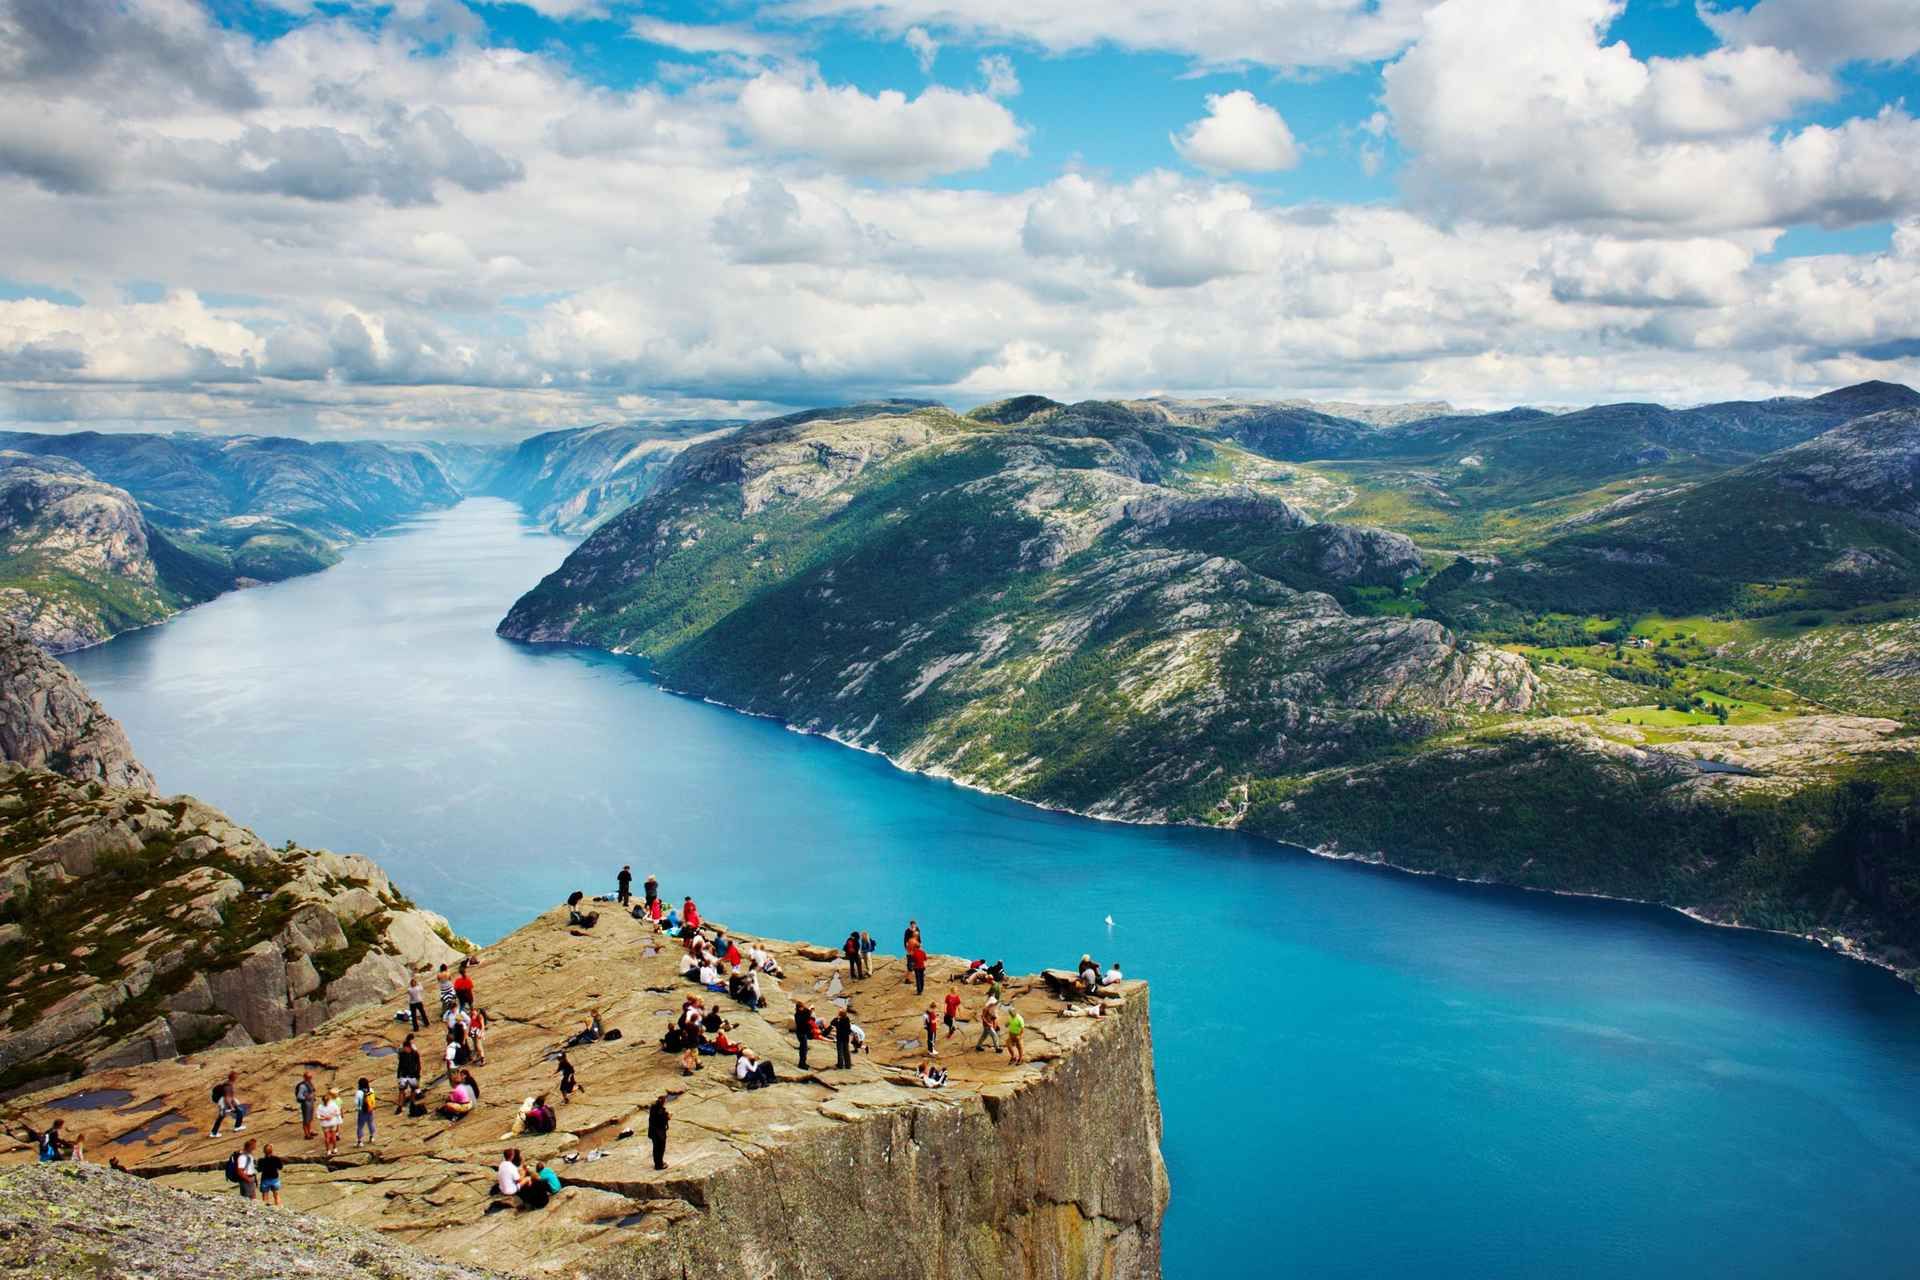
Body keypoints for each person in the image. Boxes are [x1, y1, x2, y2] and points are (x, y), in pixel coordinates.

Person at [209, 1071, 246, 1136]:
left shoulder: (229, 1083)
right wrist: (231, 1106)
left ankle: (237, 1126)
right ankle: (214, 1133)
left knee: (238, 1110)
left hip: (224, 1099)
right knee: (222, 1116)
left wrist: (233, 1103)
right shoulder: (228, 1086)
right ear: (234, 1078)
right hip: (223, 1100)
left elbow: (230, 1096)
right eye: (236, 1077)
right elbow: (227, 1098)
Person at [396, 1036, 422, 1114]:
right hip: (404, 1075)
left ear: (408, 1047)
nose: (404, 1049)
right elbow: (400, 1065)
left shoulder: (414, 1053)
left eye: (405, 1048)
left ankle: (412, 1104)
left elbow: (418, 1064)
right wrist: (398, 1075)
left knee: (413, 1090)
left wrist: (418, 1074)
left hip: (412, 1075)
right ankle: (400, 1106)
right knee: (401, 1090)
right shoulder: (402, 1054)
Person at [316, 1089, 343, 1155]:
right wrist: (331, 1116)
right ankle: (335, 1148)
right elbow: (338, 1112)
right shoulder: (333, 1105)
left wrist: (324, 1118)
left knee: (327, 1137)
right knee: (333, 1136)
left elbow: (318, 1116)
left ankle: (328, 1150)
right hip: (333, 1122)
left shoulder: (320, 1107)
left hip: (325, 1124)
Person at [647, 1095, 670, 1171]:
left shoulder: (653, 1108)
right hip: (659, 1133)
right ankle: (659, 1165)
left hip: (653, 1132)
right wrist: (667, 1117)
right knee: (660, 1148)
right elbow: (661, 1122)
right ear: (663, 1102)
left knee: (656, 1148)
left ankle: (658, 1163)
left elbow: (654, 1118)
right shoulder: (660, 1110)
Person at [354, 1077, 377, 1147]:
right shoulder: (371, 1090)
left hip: (362, 1111)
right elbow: (373, 1099)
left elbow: (356, 1103)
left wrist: (358, 1108)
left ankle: (360, 1141)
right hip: (370, 1109)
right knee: (371, 1123)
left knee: (360, 1126)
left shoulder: (359, 1092)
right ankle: (372, 1137)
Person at [295, 1071, 317, 1139]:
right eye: (308, 1077)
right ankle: (306, 1134)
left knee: (310, 1118)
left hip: (311, 1103)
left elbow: (312, 1091)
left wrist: (312, 1097)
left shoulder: (309, 1083)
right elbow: (299, 1096)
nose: (310, 1078)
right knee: (306, 1119)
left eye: (310, 1077)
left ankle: (310, 1130)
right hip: (306, 1104)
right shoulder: (302, 1086)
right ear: (305, 1077)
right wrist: (307, 1098)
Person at [793, 1001, 812, 1069]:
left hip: (804, 1032)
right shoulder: (797, 1015)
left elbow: (808, 1015)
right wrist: (807, 1014)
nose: (802, 1008)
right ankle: (801, 1064)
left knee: (804, 1049)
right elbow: (801, 1023)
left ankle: (803, 1062)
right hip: (800, 1033)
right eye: (801, 1007)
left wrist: (808, 1010)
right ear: (798, 1008)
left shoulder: (805, 1011)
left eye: (803, 1007)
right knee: (803, 1050)